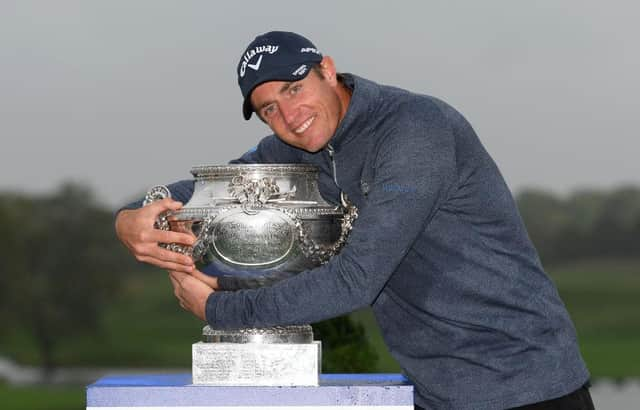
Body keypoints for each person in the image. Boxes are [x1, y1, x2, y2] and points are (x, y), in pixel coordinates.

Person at [115, 31, 594, 409]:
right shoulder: (300, 147)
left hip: (528, 387)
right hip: (436, 392)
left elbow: (356, 280)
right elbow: (217, 186)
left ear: (327, 69)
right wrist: (133, 216)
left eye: (294, 87)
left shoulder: (414, 129)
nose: (290, 114)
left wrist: (218, 310)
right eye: (270, 109)